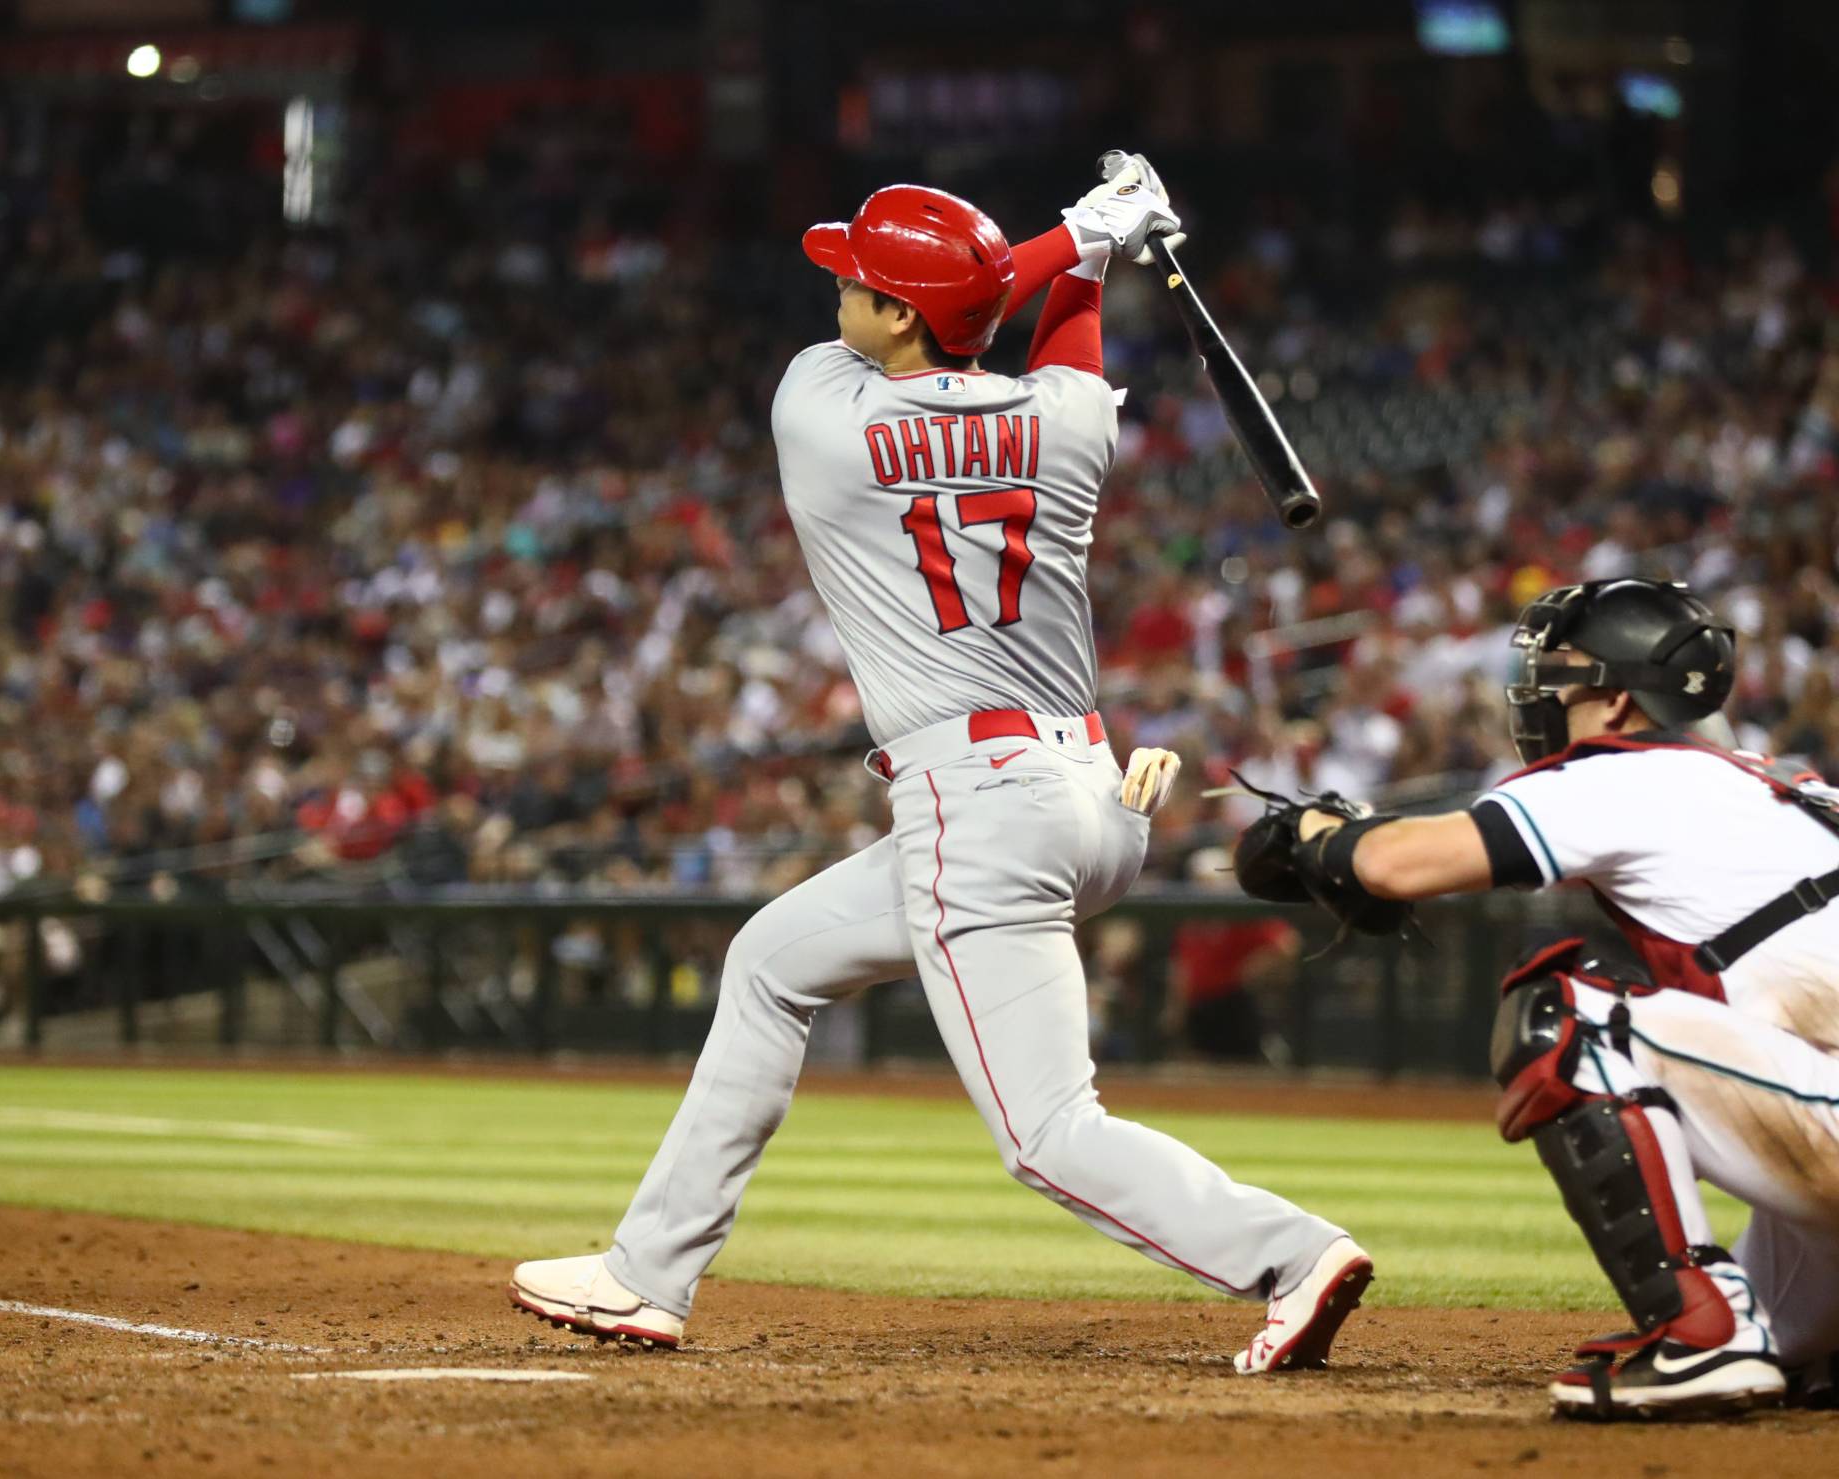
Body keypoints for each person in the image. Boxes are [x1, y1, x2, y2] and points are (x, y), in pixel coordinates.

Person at [511, 156, 1373, 1373]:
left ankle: (1288, 1256)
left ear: (900, 315)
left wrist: (1079, 237)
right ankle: (645, 1274)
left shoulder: (825, 410)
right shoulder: (1067, 427)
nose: (840, 298)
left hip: (983, 812)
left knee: (1045, 1132)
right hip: (1090, 795)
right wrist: (1098, 250)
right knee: (768, 963)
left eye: (861, 283)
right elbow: (1052, 329)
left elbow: (1008, 289)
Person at [1228, 576, 1839, 1419]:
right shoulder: (1776, 787)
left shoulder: (1625, 772)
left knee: (1569, 1016)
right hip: (1822, 1104)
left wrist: (1314, 834)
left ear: (1619, 697)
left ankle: (1703, 1339)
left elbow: (1399, 864)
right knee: (1789, 1341)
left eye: (1565, 669)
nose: (1544, 686)